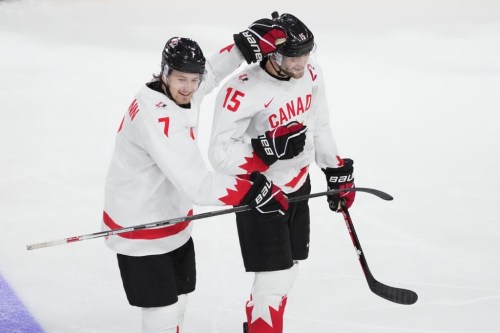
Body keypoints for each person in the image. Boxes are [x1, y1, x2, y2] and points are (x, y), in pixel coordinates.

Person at [102, 18, 290, 333]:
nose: (189, 88)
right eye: (181, 80)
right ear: (165, 74)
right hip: (140, 225)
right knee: (163, 313)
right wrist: (253, 190)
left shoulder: (174, 92)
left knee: (178, 302)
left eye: (193, 79)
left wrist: (242, 47)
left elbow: (212, 73)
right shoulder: (158, 119)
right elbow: (198, 186)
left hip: (170, 218)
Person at [208, 12, 357, 333]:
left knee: (288, 269)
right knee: (273, 281)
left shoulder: (312, 73)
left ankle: (259, 316)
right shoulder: (241, 91)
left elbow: (319, 124)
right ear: (271, 53)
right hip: (260, 194)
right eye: (293, 56)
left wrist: (335, 169)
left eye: (306, 54)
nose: (301, 62)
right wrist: (265, 149)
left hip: (299, 183)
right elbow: (219, 155)